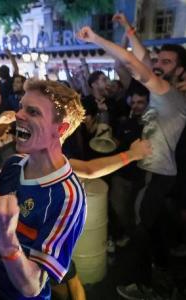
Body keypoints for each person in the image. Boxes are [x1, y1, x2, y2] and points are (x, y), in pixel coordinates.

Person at [77, 26, 186, 299]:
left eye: (166, 62)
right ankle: (164, 278)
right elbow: (140, 57)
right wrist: (128, 29)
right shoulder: (170, 92)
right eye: (158, 60)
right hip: (157, 173)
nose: (158, 64)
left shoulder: (168, 94)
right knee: (155, 229)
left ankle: (148, 287)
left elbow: (132, 61)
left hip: (155, 173)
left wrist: (97, 39)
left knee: (140, 230)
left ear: (180, 71)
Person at [0, 79, 87, 299]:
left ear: (61, 128)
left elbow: (32, 286)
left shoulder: (67, 197)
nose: (19, 115)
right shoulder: (13, 164)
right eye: (21, 107)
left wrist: (6, 240)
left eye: (33, 112)